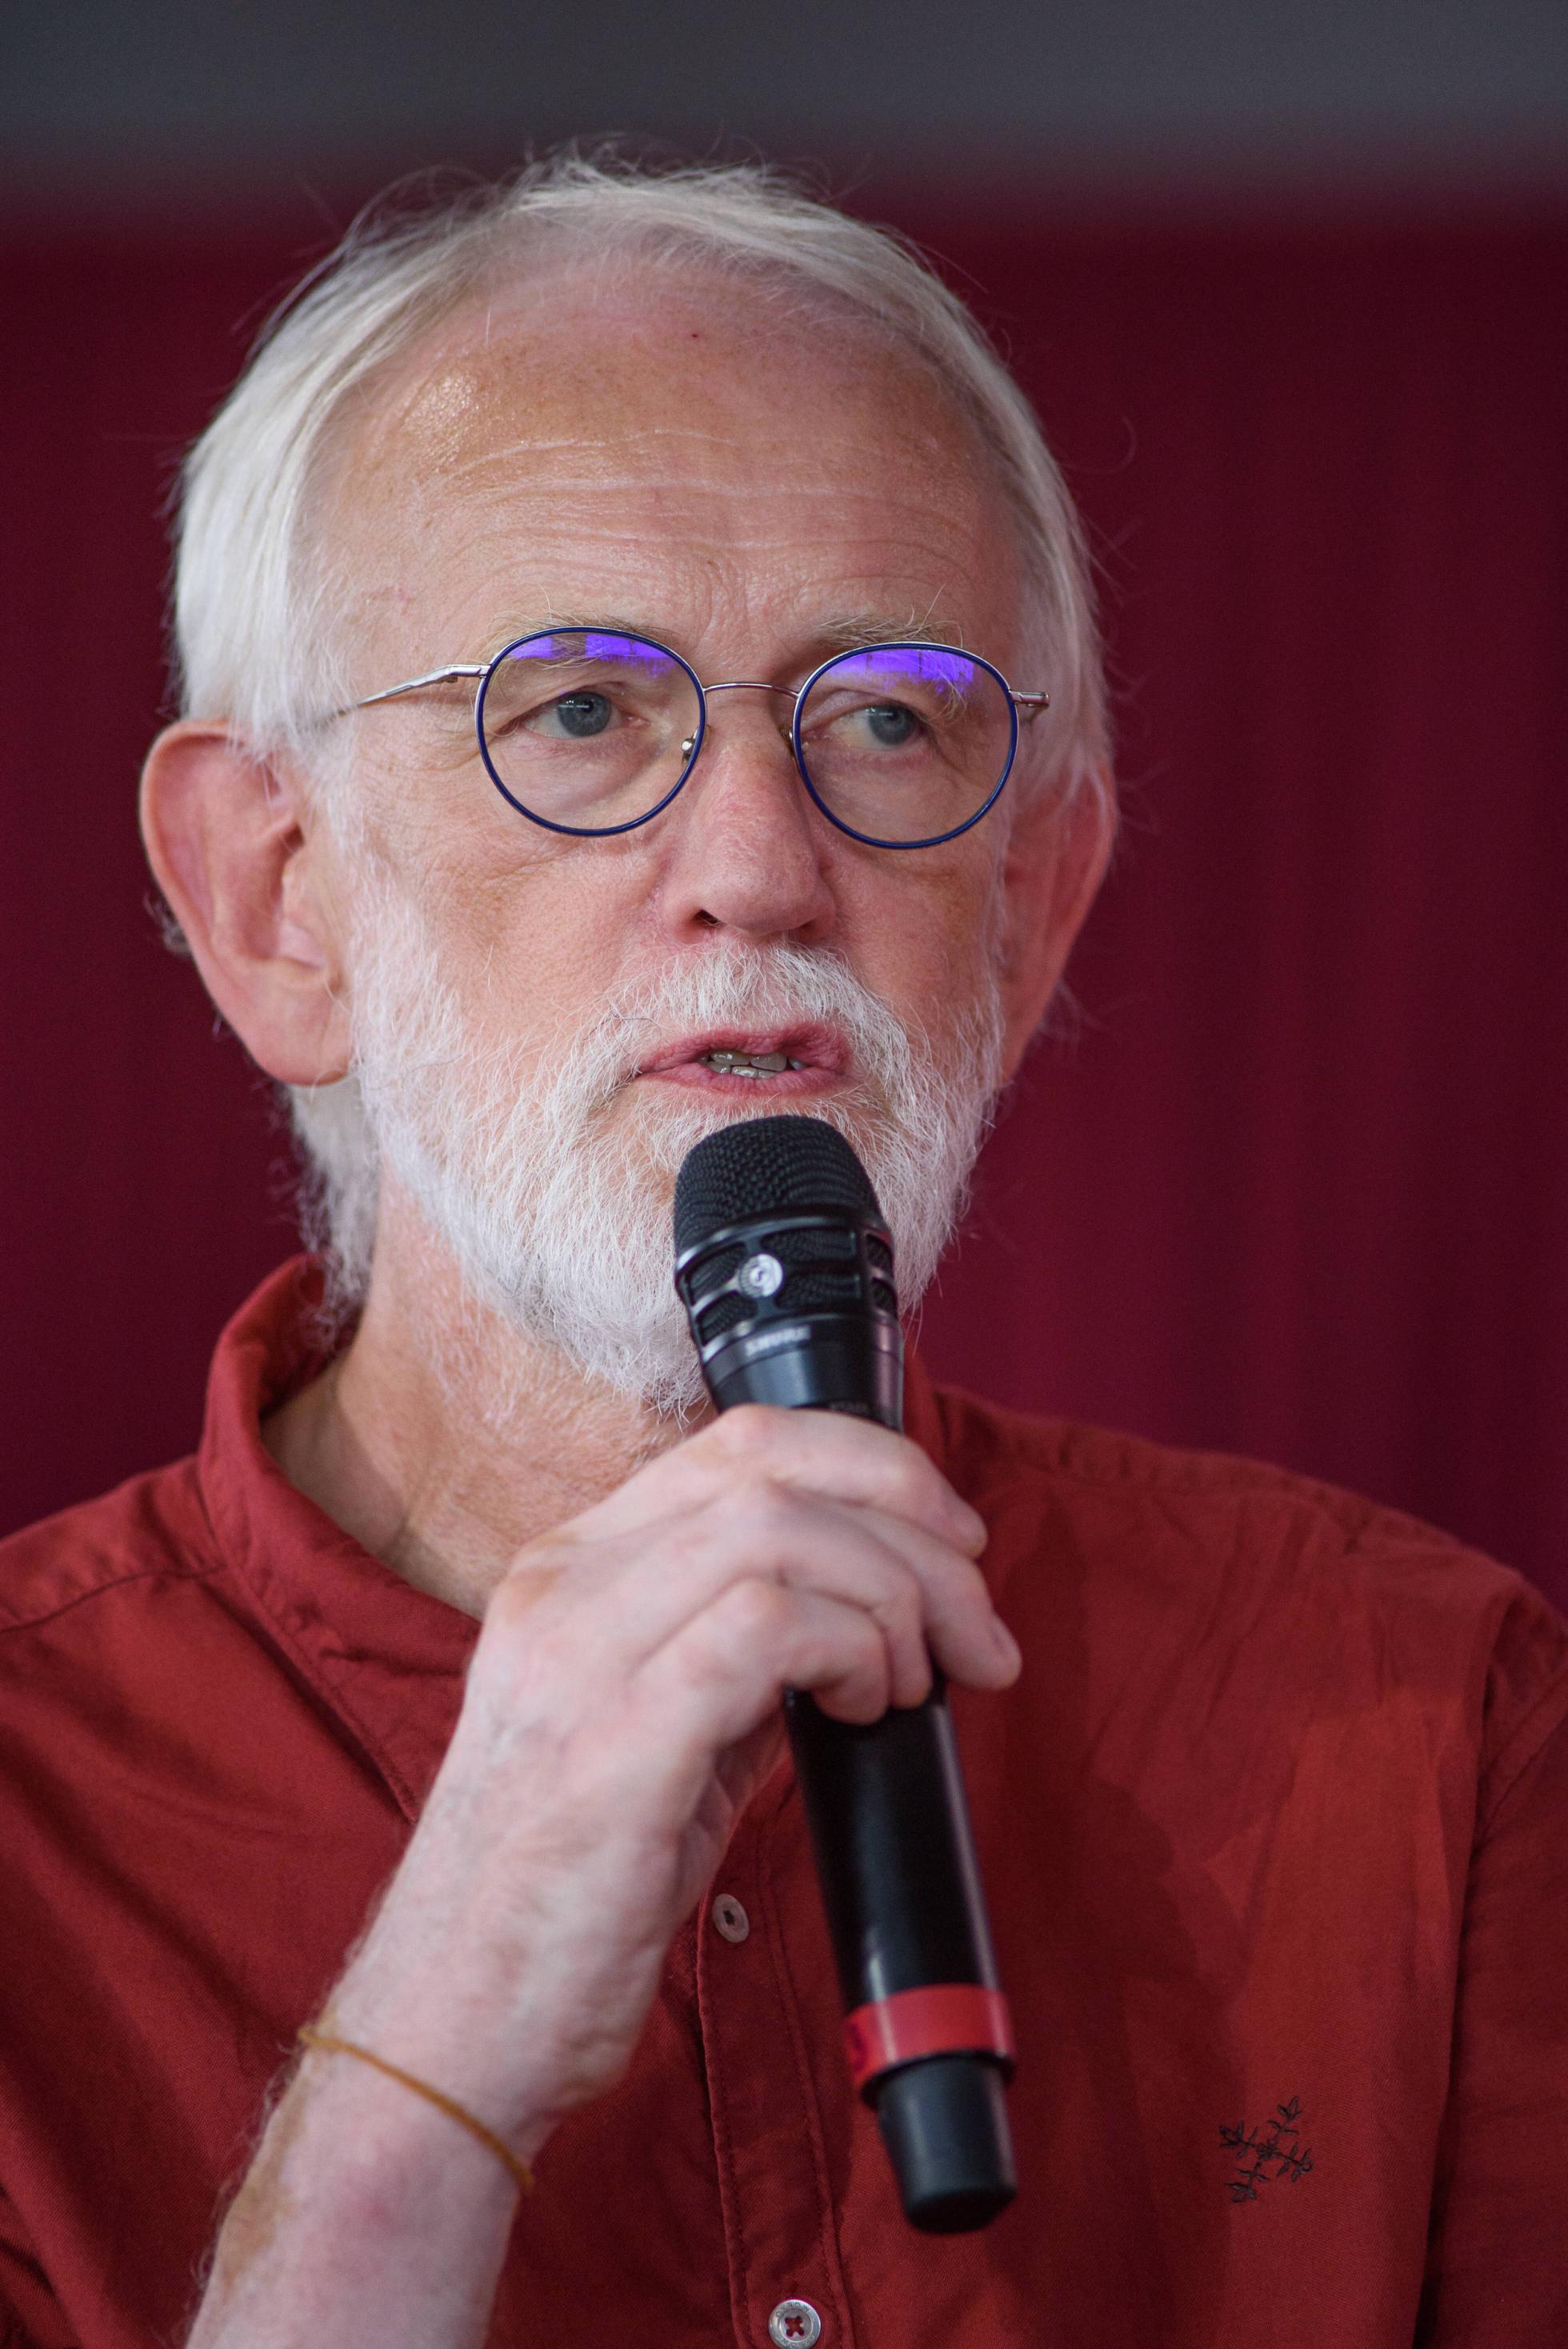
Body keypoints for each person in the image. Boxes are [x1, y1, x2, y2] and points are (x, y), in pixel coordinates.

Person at [1, 154, 1562, 2349]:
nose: (758, 862)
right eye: (577, 713)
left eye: (887, 721)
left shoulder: (1422, 1722)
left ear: (1026, 918)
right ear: (274, 901)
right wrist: (414, 2072)